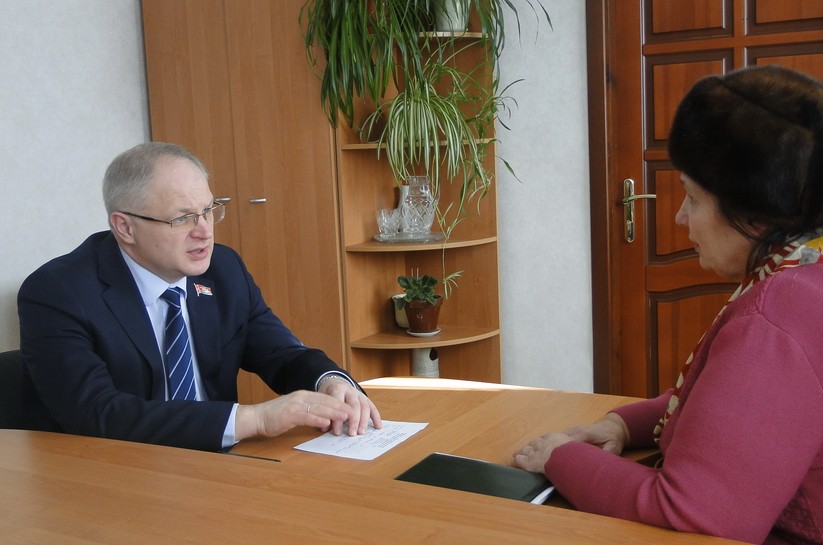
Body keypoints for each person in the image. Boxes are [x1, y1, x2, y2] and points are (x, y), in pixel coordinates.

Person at [512, 65, 823, 544]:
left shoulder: (774, 320)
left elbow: (696, 512)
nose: (680, 218)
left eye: (692, 199)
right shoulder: (804, 271)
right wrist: (622, 424)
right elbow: (733, 411)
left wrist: (560, 456)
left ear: (754, 214)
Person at [18, 142, 382, 452]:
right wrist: (255, 419)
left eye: (208, 210)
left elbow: (282, 354)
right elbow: (95, 413)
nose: (205, 232)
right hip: (118, 474)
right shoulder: (57, 292)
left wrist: (329, 381)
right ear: (125, 227)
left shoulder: (223, 269)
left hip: (218, 465)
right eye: (183, 219)